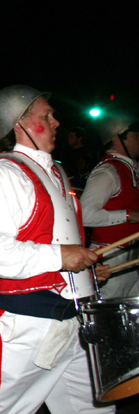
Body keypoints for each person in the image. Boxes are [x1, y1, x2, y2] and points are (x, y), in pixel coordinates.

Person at [0, 85, 115, 414]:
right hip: (26, 323)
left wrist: (84, 271)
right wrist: (61, 257)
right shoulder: (1, 174)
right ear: (19, 124)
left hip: (72, 318)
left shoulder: (56, 171)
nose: (57, 121)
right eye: (46, 115)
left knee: (94, 413)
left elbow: (59, 240)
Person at [81, 114, 139, 298]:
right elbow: (85, 214)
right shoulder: (108, 171)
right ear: (117, 139)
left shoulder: (131, 169)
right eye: (135, 136)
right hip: (109, 259)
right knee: (108, 322)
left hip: (131, 256)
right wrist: (129, 215)